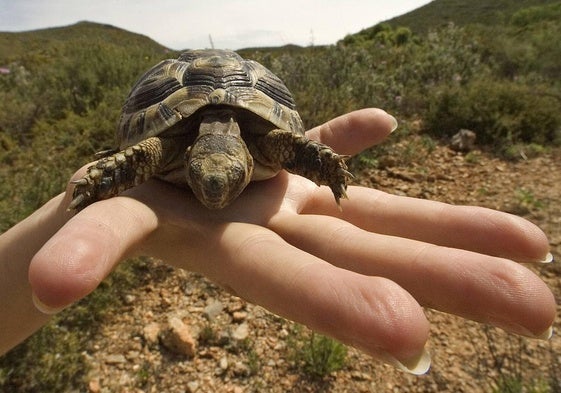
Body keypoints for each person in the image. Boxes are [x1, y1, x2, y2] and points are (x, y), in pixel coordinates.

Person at [0, 108, 555, 375]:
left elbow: (294, 148)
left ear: (249, 162)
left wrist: (319, 161)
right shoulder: (159, 150)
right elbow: (137, 155)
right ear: (186, 160)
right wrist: (86, 192)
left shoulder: (267, 142)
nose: (213, 193)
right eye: (200, 179)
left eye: (229, 180)